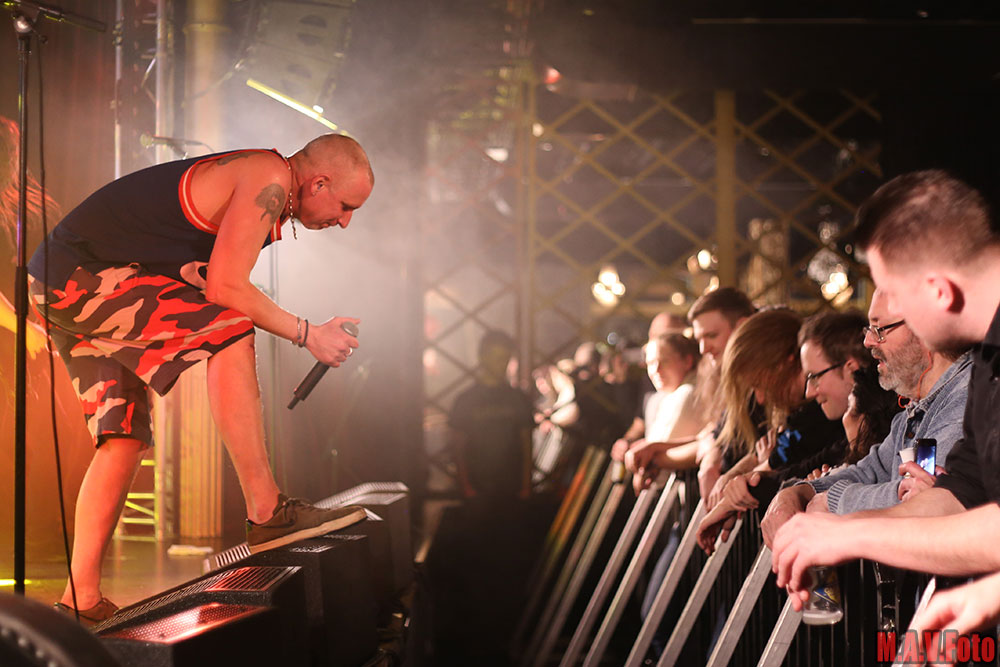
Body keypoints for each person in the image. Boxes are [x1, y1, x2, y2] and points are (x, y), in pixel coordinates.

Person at [28, 134, 374, 624]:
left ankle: (80, 601)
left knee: (123, 436)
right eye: (345, 206)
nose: (345, 221)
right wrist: (308, 333)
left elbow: (207, 276)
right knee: (231, 330)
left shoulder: (267, 188)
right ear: (318, 183)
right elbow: (226, 288)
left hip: (59, 281)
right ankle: (267, 512)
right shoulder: (270, 176)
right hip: (81, 276)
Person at [771, 170, 1000, 611]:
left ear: (938, 291)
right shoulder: (989, 361)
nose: (868, 339)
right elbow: (962, 501)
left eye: (893, 300)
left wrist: (847, 528)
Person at [760, 292, 971, 545]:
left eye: (879, 329)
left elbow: (924, 503)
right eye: (869, 330)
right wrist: (799, 492)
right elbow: (868, 471)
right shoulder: (913, 412)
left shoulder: (965, 399)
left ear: (924, 328)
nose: (868, 342)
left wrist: (832, 502)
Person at [449, 330, 534, 500]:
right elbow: (457, 446)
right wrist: (466, 487)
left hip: (511, 487)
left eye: (505, 359)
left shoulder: (518, 398)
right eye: (497, 358)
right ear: (483, 358)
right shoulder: (466, 400)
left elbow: (527, 444)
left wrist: (526, 485)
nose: (502, 365)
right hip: (477, 488)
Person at [623, 333, 708, 494]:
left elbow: (659, 475)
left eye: (664, 361)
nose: (656, 370)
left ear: (688, 361)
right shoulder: (672, 395)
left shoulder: (686, 394)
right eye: (650, 363)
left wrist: (650, 458)